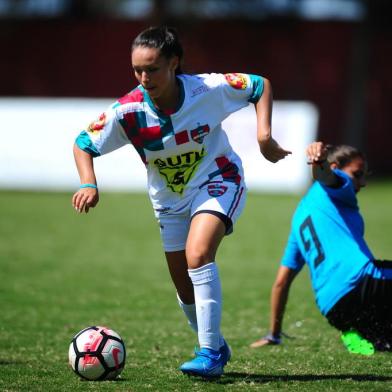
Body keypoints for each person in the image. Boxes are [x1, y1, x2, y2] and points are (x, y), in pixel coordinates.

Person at [71, 25, 291, 377]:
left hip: (218, 179)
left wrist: (264, 136)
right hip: (169, 200)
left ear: (174, 63)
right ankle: (215, 342)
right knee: (183, 284)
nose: (144, 77)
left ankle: (208, 354)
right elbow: (83, 143)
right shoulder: (127, 112)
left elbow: (258, 85)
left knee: (198, 254)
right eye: (137, 70)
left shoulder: (207, 89)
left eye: (152, 68)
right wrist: (89, 183)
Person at [250, 141, 392, 355]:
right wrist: (318, 161)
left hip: (335, 310)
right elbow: (324, 176)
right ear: (336, 168)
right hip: (362, 284)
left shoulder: (299, 218)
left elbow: (281, 282)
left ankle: (358, 335)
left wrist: (274, 333)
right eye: (358, 173)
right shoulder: (339, 187)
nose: (363, 182)